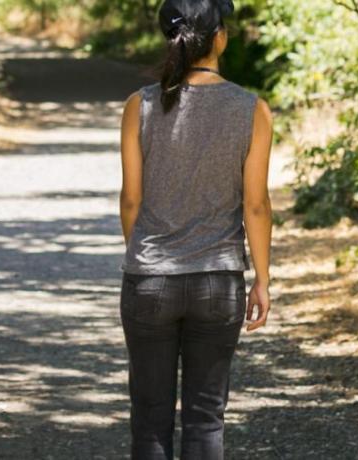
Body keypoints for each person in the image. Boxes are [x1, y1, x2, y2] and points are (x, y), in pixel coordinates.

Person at [116, 0, 272, 458]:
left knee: (150, 421)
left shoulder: (138, 106)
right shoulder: (252, 109)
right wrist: (262, 279)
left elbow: (131, 199)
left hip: (150, 280)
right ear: (220, 36)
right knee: (206, 419)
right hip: (217, 282)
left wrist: (146, 256)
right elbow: (256, 205)